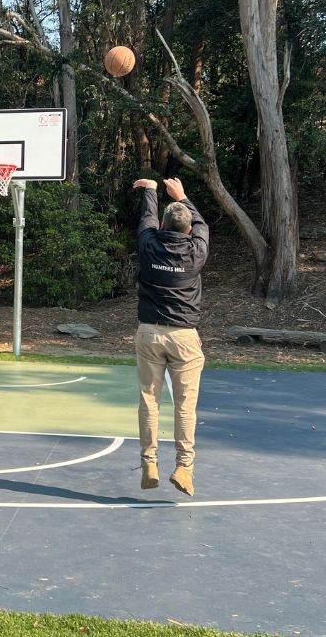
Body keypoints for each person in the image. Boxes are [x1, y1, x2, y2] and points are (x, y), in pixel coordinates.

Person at [130, 177, 209, 496]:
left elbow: (146, 219)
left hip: (149, 334)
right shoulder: (196, 251)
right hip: (184, 337)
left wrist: (150, 190)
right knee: (185, 406)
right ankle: (184, 467)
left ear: (162, 226)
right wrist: (183, 195)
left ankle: (150, 462)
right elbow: (201, 223)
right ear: (188, 231)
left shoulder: (149, 244)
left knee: (149, 399)